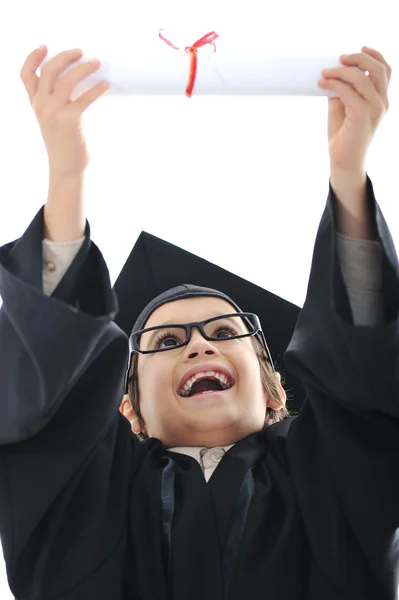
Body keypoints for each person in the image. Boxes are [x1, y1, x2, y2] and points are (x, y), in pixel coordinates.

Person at [0, 44, 398, 600]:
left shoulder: (328, 477)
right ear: (128, 408)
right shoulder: (93, 494)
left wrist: (349, 176)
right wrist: (67, 176)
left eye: (224, 331)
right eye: (165, 341)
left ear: (274, 389)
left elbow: (363, 385)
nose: (198, 347)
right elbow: (53, 403)